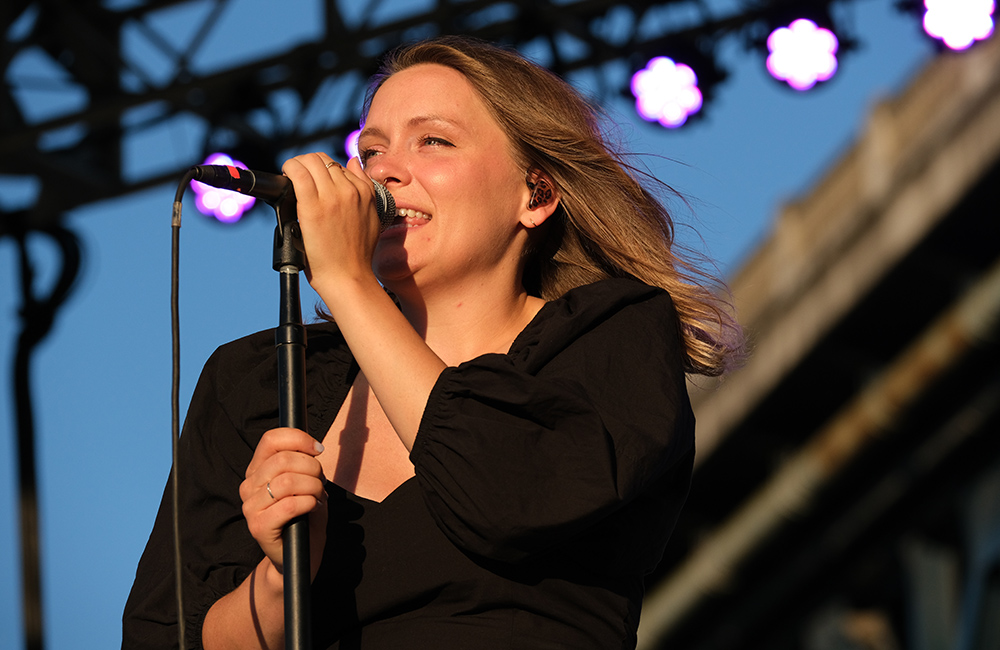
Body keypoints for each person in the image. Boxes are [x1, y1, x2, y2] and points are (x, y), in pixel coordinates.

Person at [123, 35, 743, 649]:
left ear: (536, 194)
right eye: (371, 150)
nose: (384, 170)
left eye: (434, 141)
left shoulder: (614, 334)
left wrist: (347, 281)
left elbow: (512, 497)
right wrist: (283, 577)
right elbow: (163, 636)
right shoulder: (260, 381)